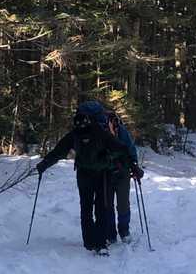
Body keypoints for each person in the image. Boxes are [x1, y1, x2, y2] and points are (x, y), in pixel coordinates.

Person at [35, 99, 136, 255]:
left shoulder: (75, 134)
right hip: (102, 174)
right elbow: (120, 148)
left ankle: (89, 241)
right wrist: (132, 165)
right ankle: (101, 244)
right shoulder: (101, 132)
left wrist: (44, 164)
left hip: (83, 174)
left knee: (86, 207)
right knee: (101, 208)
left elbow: (59, 151)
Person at [103, 108, 143, 245]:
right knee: (108, 205)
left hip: (122, 172)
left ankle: (123, 230)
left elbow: (130, 149)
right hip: (107, 173)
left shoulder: (122, 131)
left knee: (122, 204)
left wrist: (134, 165)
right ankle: (111, 233)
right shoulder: (101, 132)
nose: (111, 124)